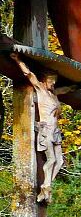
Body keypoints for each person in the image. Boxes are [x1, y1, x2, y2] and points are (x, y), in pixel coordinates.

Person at [11, 54, 65, 203]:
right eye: (51, 81)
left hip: (55, 131)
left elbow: (65, 90)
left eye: (54, 81)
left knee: (59, 161)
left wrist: (80, 85)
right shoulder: (40, 89)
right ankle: (45, 187)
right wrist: (18, 60)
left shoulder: (53, 95)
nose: (53, 84)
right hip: (46, 129)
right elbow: (29, 74)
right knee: (52, 159)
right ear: (45, 80)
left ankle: (47, 185)